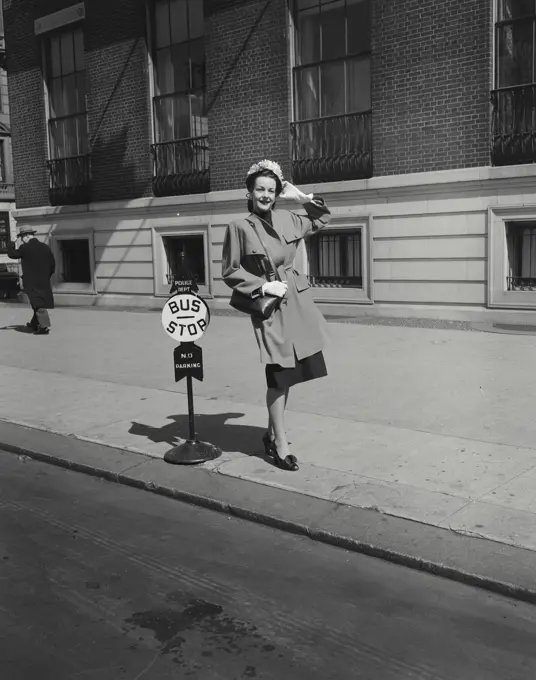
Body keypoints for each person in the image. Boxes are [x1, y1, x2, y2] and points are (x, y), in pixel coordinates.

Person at [222, 159, 331, 471]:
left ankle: (271, 433)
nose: (265, 195)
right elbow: (230, 271)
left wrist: (303, 199)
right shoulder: (239, 227)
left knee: (292, 375)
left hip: (297, 304)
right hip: (270, 307)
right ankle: (280, 443)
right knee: (279, 376)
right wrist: (262, 286)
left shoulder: (288, 218)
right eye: (260, 189)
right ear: (249, 191)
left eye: (271, 190)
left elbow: (322, 219)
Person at [7, 226, 56, 335]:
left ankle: (44, 327)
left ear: (27, 236)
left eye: (21, 237)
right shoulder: (45, 247)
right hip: (44, 280)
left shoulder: (25, 248)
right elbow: (53, 265)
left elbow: (12, 254)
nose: (21, 240)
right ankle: (34, 323)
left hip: (31, 280)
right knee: (38, 301)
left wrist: (12, 243)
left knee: (38, 303)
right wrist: (46, 275)